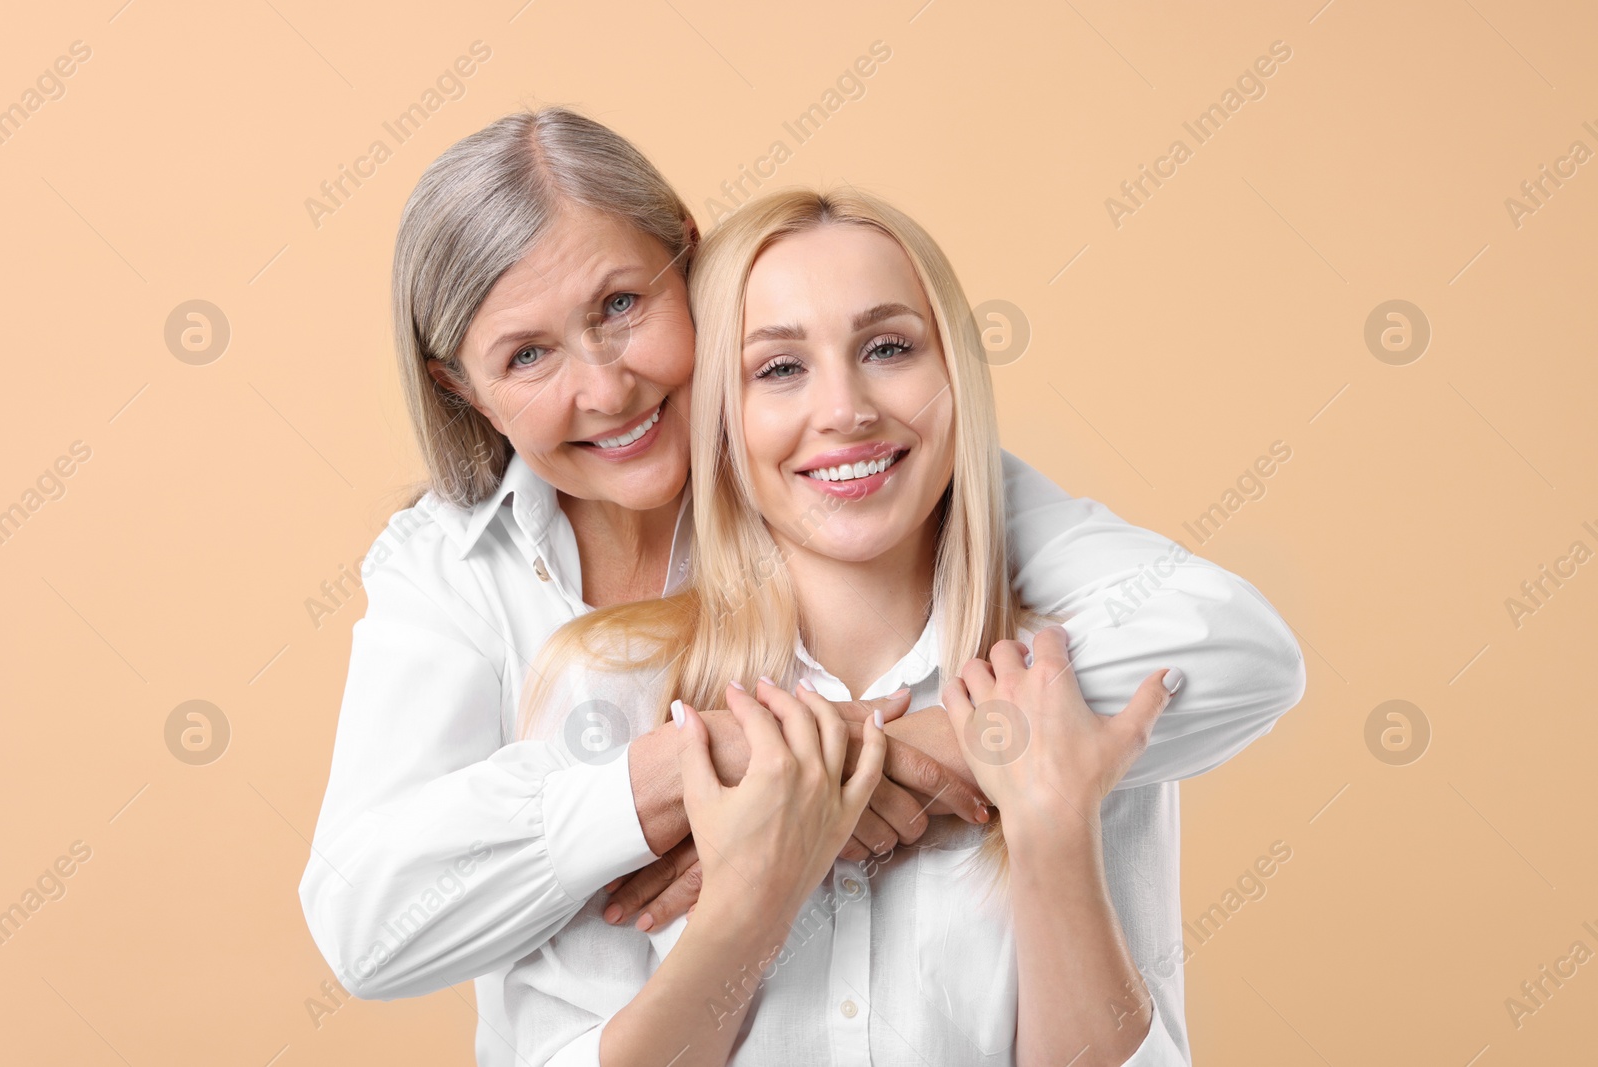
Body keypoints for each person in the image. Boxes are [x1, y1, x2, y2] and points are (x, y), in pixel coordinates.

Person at [297, 108, 1305, 1067]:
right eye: (526, 354)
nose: (605, 390)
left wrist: (880, 761)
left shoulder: (987, 600)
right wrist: (696, 794)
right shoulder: (550, 650)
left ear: (689, 267)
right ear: (461, 388)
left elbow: (1235, 646)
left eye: (620, 305)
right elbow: (369, 925)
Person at [506, 188, 1191, 1065]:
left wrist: (1054, 832)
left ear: (956, 378)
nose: (846, 409)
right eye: (779, 368)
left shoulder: (1059, 688)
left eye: (888, 348)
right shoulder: (606, 684)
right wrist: (755, 895)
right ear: (722, 412)